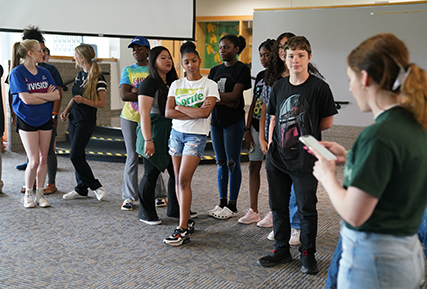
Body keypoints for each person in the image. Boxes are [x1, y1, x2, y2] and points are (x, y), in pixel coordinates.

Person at [313, 33, 427, 289]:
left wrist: (327, 176)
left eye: (350, 79)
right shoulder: (415, 125)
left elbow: (355, 213)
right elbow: (397, 173)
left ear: (364, 78)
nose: (351, 87)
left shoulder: (378, 136)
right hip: (405, 257)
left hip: (374, 263)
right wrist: (352, 157)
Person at [257, 36, 337, 275]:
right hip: (278, 158)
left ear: (309, 58)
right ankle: (281, 248)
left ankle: (307, 254)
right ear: (284, 58)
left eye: (301, 55)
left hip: (305, 159)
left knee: (306, 208)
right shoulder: (279, 86)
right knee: (278, 206)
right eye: (291, 56)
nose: (295, 60)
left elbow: (327, 122)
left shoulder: (319, 88)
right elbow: (273, 117)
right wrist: (271, 144)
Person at [163, 42, 219, 246]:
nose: (191, 65)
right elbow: (168, 112)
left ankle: (183, 229)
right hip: (176, 134)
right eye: (186, 62)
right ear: (182, 64)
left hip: (196, 136)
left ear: (199, 61)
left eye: (194, 60)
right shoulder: (176, 84)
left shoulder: (209, 85)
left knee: (184, 179)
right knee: (178, 179)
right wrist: (190, 109)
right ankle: (184, 220)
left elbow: (205, 113)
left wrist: (179, 105)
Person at [258, 32, 302, 247]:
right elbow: (265, 110)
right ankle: (280, 225)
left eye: (289, 46)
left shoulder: (306, 75)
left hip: (298, 142)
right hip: (275, 140)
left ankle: (296, 226)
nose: (285, 51)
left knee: (296, 186)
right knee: (278, 187)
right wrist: (263, 138)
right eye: (281, 47)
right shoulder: (271, 77)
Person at [9, 39, 60, 208]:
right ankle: (28, 195)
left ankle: (40, 195)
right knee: (33, 160)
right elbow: (26, 100)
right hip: (27, 119)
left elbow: (56, 96)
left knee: (44, 158)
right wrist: (45, 95)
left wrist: (35, 96)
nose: (43, 54)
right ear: (30, 53)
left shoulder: (45, 72)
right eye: (39, 51)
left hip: (45, 118)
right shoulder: (17, 73)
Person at [207, 35, 252, 220]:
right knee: (220, 162)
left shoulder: (242, 69)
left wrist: (218, 99)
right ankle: (222, 202)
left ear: (236, 49)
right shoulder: (214, 70)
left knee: (232, 162)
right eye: (220, 47)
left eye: (226, 47)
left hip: (233, 122)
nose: (222, 50)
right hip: (216, 122)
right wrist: (222, 100)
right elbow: (207, 96)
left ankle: (232, 205)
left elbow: (235, 97)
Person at [136, 46, 180, 225]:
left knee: (175, 172)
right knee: (151, 173)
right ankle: (145, 213)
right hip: (152, 131)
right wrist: (148, 140)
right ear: (154, 62)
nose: (168, 61)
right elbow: (144, 114)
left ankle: (175, 209)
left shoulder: (173, 82)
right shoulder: (149, 83)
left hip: (170, 131)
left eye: (169, 57)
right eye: (163, 58)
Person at [61, 44, 107, 201]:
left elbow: (101, 103)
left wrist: (84, 101)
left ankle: (96, 187)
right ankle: (81, 188)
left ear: (81, 58)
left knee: (74, 156)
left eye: (75, 55)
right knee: (79, 154)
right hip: (74, 119)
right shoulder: (80, 75)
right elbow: (75, 98)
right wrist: (66, 110)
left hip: (86, 121)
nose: (74, 58)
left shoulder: (98, 78)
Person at [238, 38, 274, 225]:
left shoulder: (280, 77)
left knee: (273, 171)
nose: (263, 58)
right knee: (254, 167)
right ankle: (253, 210)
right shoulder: (260, 75)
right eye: (261, 55)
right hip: (255, 126)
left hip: (272, 129)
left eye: (267, 54)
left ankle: (274, 212)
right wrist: (247, 127)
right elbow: (254, 103)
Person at [118, 36, 150, 211]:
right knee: (132, 156)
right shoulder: (128, 70)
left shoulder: (153, 69)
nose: (136, 51)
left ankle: (159, 195)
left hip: (150, 117)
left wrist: (136, 90)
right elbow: (124, 95)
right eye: (133, 49)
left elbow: (159, 93)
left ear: (147, 50)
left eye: (139, 48)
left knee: (150, 155)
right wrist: (145, 93)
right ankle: (129, 197)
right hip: (130, 117)